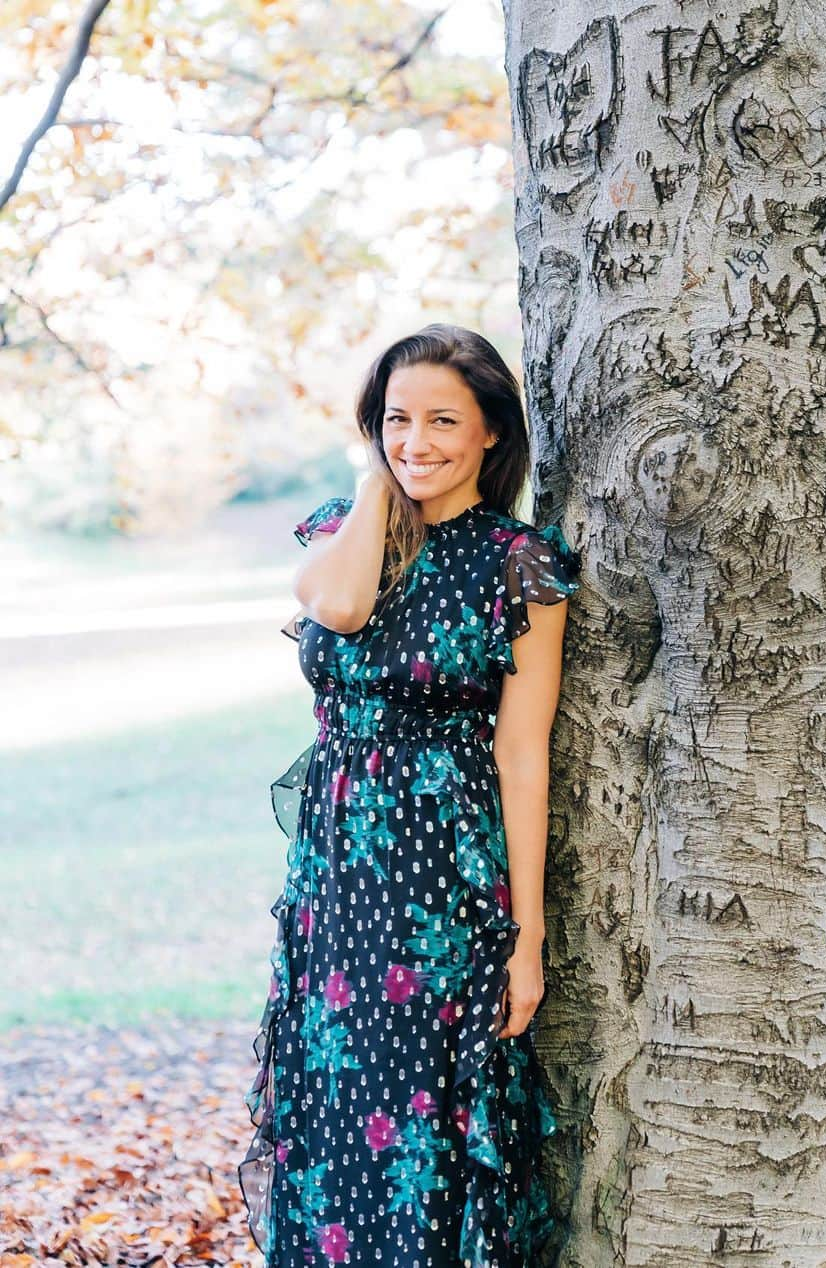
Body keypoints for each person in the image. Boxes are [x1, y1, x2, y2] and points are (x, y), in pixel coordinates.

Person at [237, 323, 583, 1267]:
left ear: (490, 436)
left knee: (425, 1134)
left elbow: (522, 755)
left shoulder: (520, 563)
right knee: (336, 1114)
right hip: (335, 877)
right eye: (396, 420)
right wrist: (373, 487)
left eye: (442, 421)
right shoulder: (342, 532)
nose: (417, 442)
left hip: (443, 888)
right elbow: (340, 609)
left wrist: (528, 938)